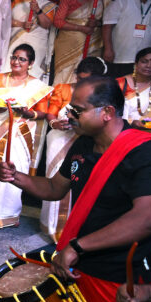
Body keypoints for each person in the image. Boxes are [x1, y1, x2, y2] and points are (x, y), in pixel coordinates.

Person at [0, 75, 151, 302]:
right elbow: (55, 188)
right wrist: (19, 178)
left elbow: (150, 216)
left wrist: (78, 245)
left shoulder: (147, 153)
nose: (69, 114)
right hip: (80, 266)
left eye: (77, 110)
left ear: (106, 113)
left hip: (119, 274)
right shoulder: (83, 145)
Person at [0, 44, 52, 229]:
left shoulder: (39, 86)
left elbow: (42, 113)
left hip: (22, 132)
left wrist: (27, 113)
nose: (16, 62)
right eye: (14, 57)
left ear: (31, 63)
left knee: (16, 170)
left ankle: (10, 215)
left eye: (22, 59)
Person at [39, 56, 107, 242]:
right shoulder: (63, 88)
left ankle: (71, 229)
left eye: (87, 79)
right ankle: (51, 226)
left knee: (78, 181)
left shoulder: (100, 95)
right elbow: (51, 112)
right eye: (79, 78)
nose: (81, 82)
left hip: (83, 141)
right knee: (54, 177)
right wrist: (55, 123)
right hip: (59, 138)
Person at [53, 0, 110, 84]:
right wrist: (82, 28)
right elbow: (58, 21)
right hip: (69, 43)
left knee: (89, 71)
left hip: (92, 42)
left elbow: (109, 21)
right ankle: (61, 96)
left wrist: (97, 23)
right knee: (64, 73)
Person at [9, 0, 57, 80]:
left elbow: (46, 25)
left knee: (32, 71)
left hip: (37, 44)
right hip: (15, 41)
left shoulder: (47, 5)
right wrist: (21, 24)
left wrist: (38, 11)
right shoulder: (16, 2)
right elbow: (6, 22)